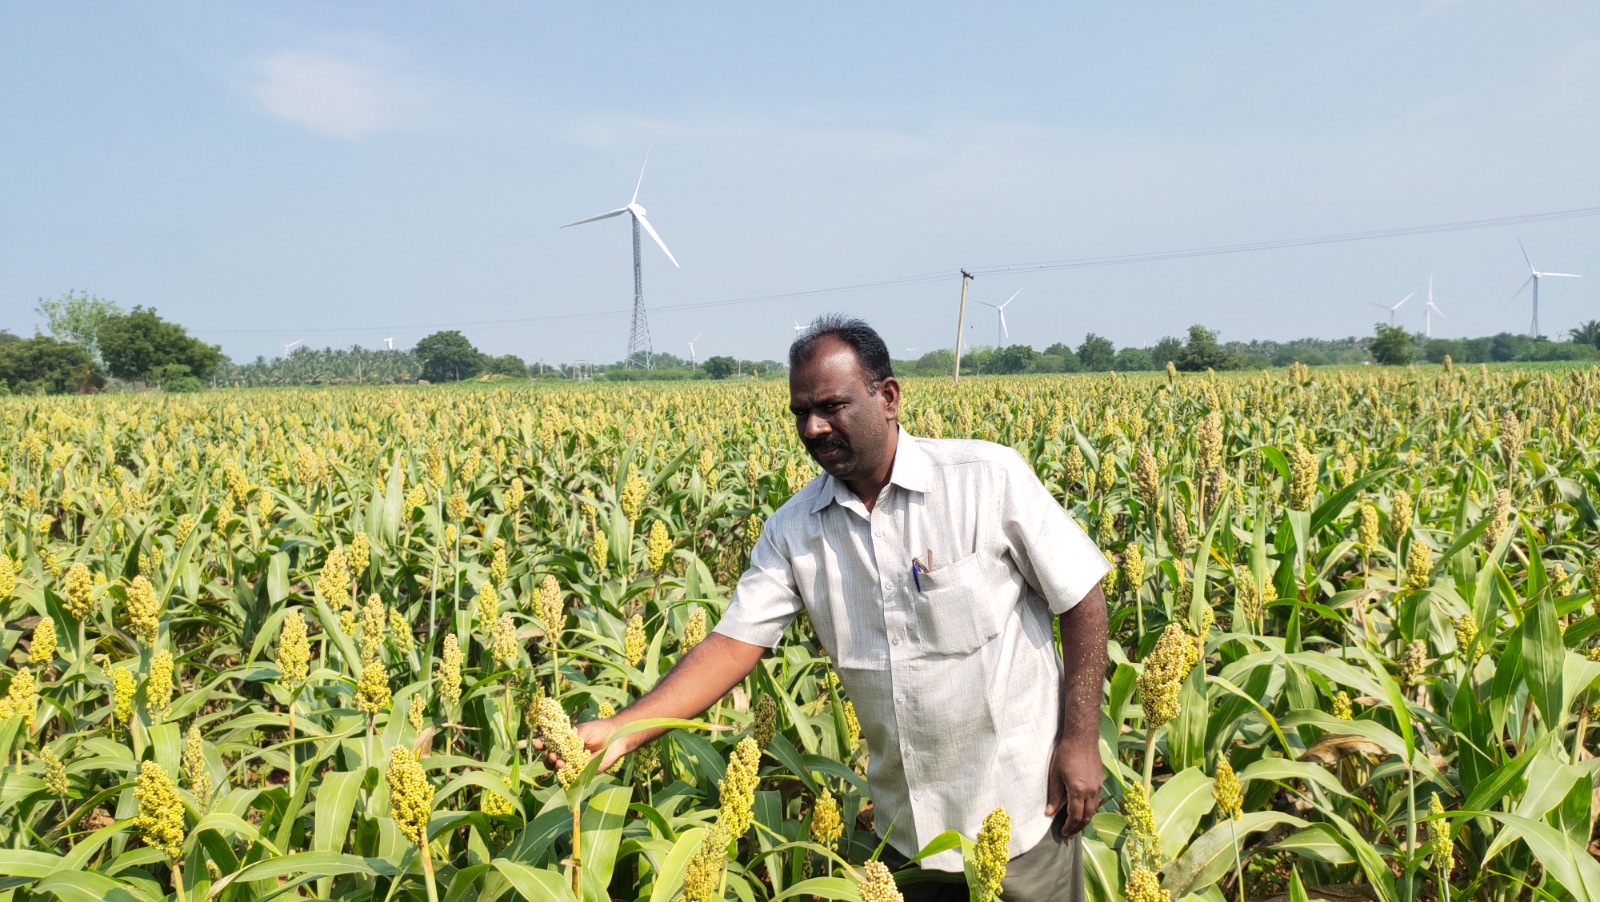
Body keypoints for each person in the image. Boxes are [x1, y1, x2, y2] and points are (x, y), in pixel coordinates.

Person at [541, 315, 1110, 901]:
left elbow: (1082, 598)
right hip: (906, 830)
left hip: (1022, 813)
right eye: (800, 413)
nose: (813, 427)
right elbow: (733, 644)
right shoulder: (794, 530)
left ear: (888, 397)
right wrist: (622, 730)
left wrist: (1080, 740)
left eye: (831, 407)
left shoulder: (986, 481)